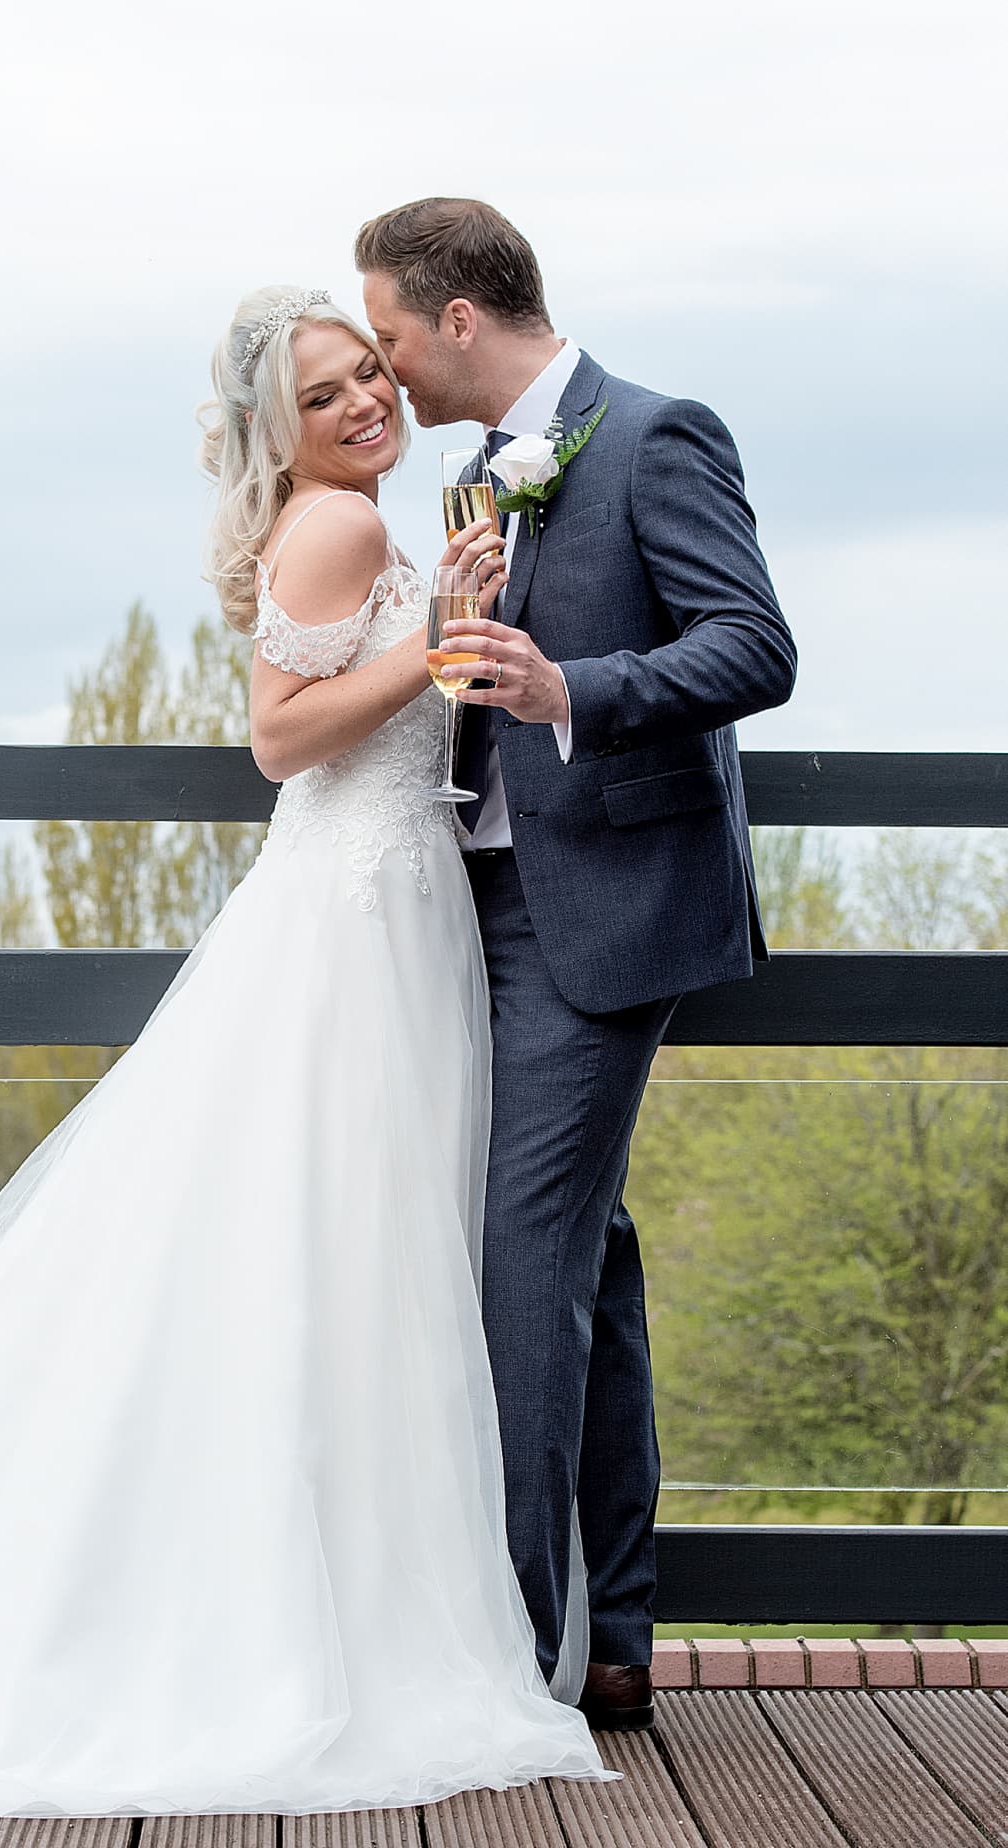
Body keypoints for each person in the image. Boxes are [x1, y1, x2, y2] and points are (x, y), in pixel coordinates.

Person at [0, 285, 610, 1818]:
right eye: (325, 396)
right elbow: (279, 736)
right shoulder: (342, 528)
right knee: (338, 1245)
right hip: (352, 914)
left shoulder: (367, 516)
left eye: (369, 373)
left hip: (393, 897)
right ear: (279, 433)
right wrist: (441, 637)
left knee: (340, 1254)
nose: (365, 404)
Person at [356, 199, 798, 1731]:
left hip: (595, 918)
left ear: (456, 318)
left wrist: (570, 685)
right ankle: (605, 1642)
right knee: (578, 1266)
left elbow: (754, 646)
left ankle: (509, 1662)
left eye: (396, 340)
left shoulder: (658, 435)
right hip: (462, 913)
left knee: (518, 1271)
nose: (392, 376)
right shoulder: (482, 475)